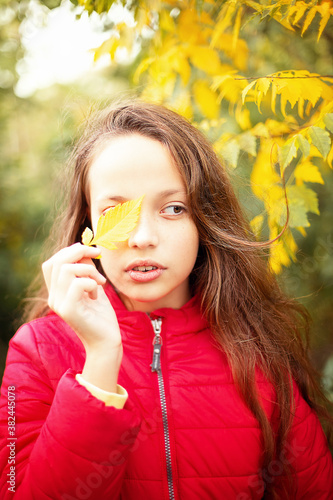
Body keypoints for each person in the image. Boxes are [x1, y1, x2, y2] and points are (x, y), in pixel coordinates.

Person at [0, 101, 332, 500]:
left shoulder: (257, 346)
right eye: (116, 211)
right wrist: (101, 363)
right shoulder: (35, 352)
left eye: (173, 209)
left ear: (204, 221)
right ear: (88, 221)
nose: (142, 237)